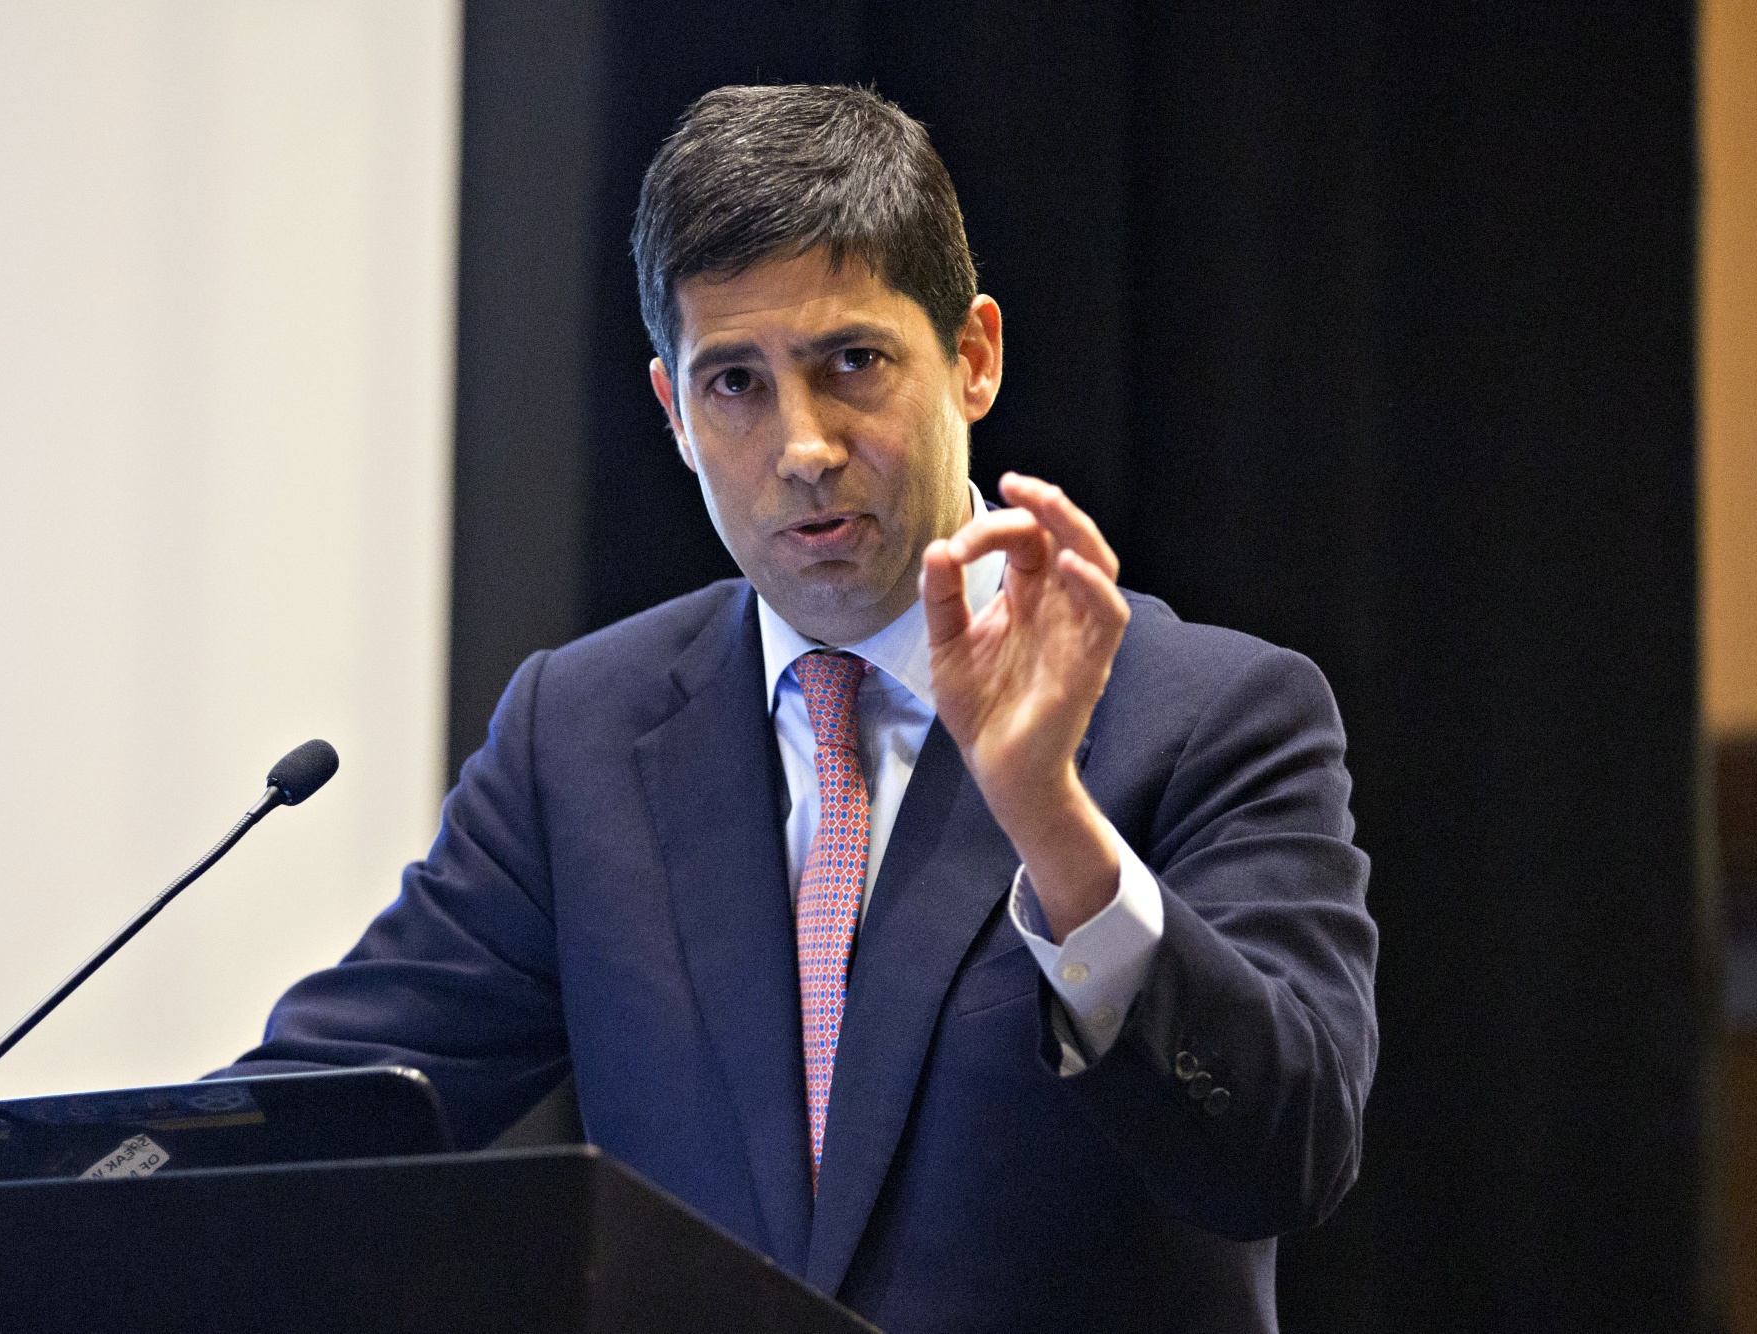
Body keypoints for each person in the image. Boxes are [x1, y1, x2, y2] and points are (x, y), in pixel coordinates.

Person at [218, 84, 1377, 1334]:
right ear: (670, 410)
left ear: (972, 357)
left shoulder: (1210, 712)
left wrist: (1054, 826)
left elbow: (1282, 1152)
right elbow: (329, 1113)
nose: (803, 444)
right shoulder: (584, 732)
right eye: (735, 382)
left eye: (852, 363)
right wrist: (35, 1183)